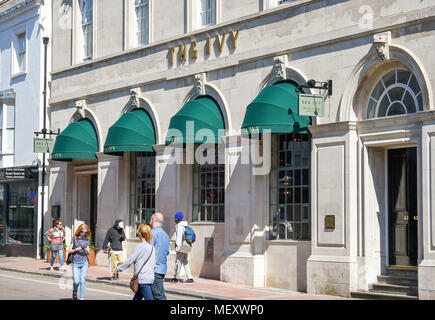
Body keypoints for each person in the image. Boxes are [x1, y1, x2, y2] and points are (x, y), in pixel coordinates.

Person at [116, 224, 156, 300]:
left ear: (140, 234)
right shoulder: (152, 248)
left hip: (142, 279)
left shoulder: (140, 246)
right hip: (150, 278)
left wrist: (118, 268)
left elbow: (130, 260)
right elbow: (154, 264)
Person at [149, 212, 170, 300]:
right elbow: (167, 252)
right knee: (152, 295)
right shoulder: (165, 235)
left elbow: (147, 251)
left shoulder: (151, 233)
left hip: (154, 269)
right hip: (162, 268)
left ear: (153, 220)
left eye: (150, 219)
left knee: (159, 296)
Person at [68, 224, 91, 300]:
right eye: (82, 231)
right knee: (76, 281)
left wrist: (86, 250)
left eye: (85, 232)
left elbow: (88, 252)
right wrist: (77, 249)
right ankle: (75, 291)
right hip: (76, 263)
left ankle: (82, 298)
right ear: (79, 230)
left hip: (84, 262)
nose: (84, 233)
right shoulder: (74, 238)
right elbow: (69, 251)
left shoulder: (87, 240)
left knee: (82, 280)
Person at [171, 212, 194, 284]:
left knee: (178, 261)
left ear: (178, 219)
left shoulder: (179, 226)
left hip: (182, 246)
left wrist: (177, 247)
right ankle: (190, 278)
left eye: (175, 218)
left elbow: (179, 237)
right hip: (187, 245)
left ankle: (175, 277)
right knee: (185, 261)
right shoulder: (185, 224)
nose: (174, 219)